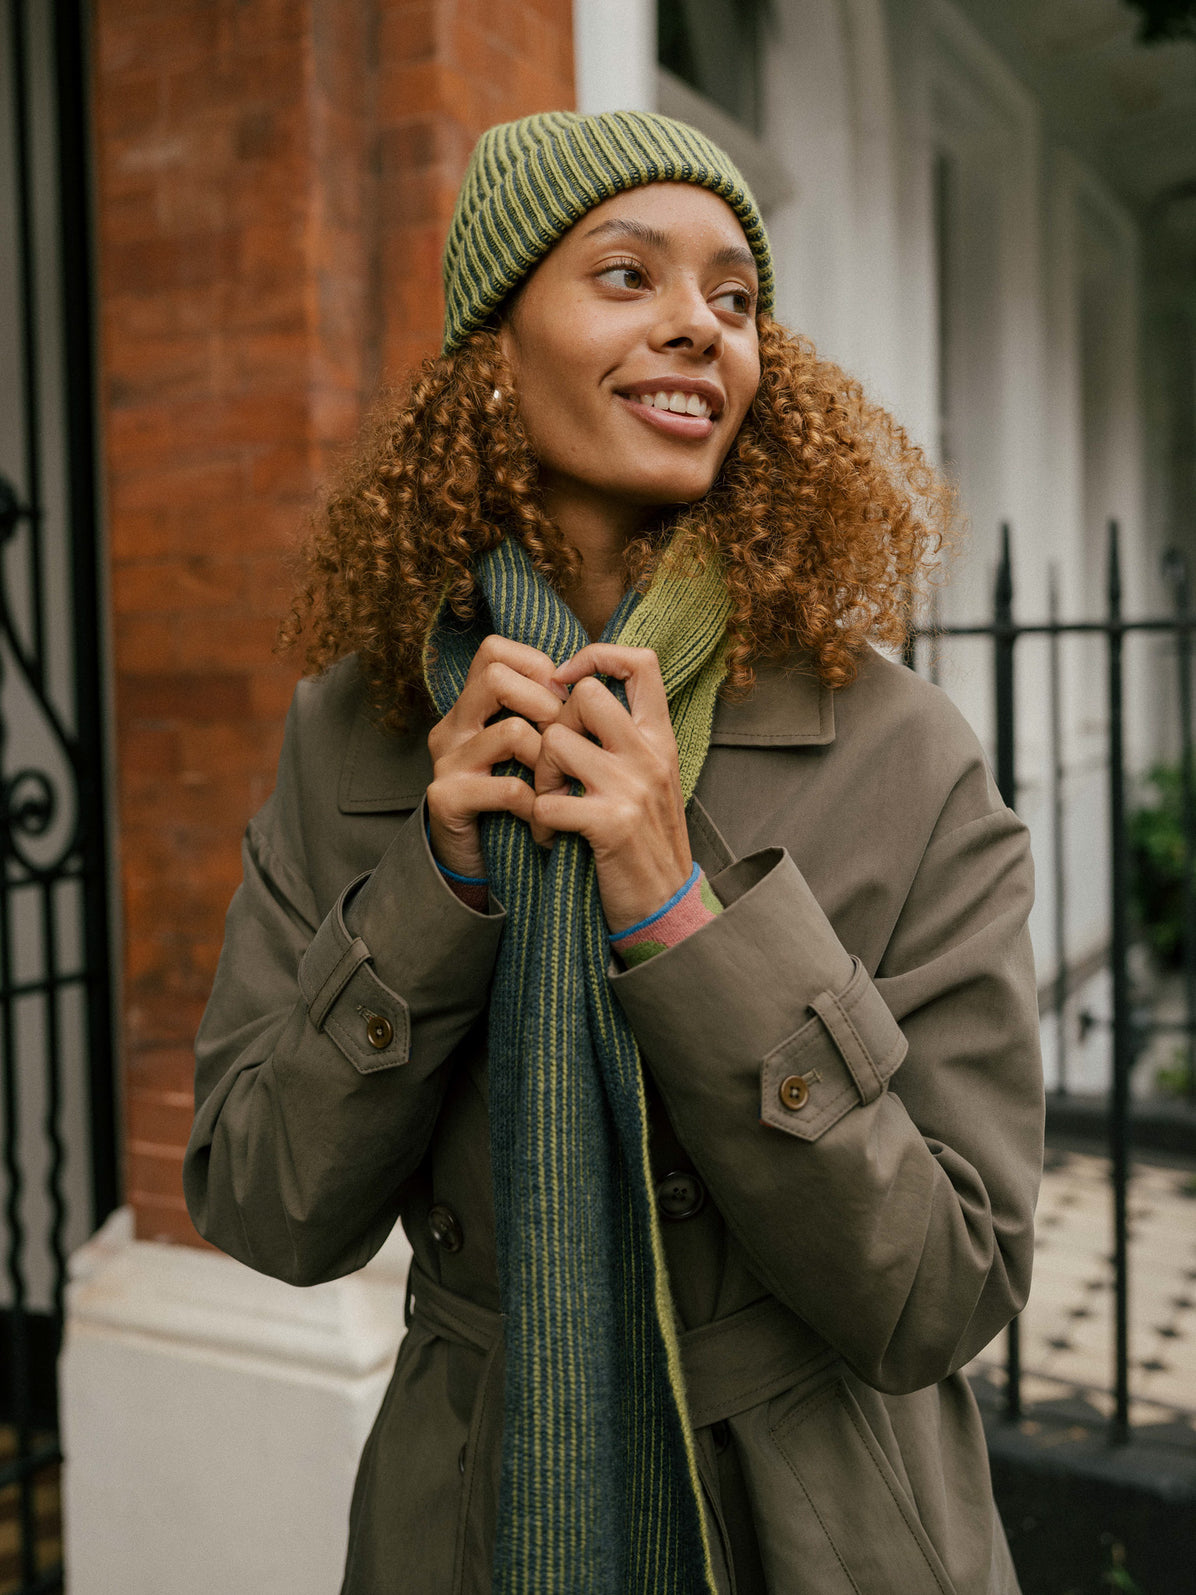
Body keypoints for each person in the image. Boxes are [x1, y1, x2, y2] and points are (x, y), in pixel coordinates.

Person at [184, 110, 1043, 1595]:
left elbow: (945, 1290)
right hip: (470, 1520)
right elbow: (264, 1205)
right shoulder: (357, 736)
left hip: (824, 1528)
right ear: (494, 348)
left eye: (734, 298)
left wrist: (681, 918)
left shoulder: (904, 750)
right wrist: (434, 895)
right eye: (628, 274)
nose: (699, 330)